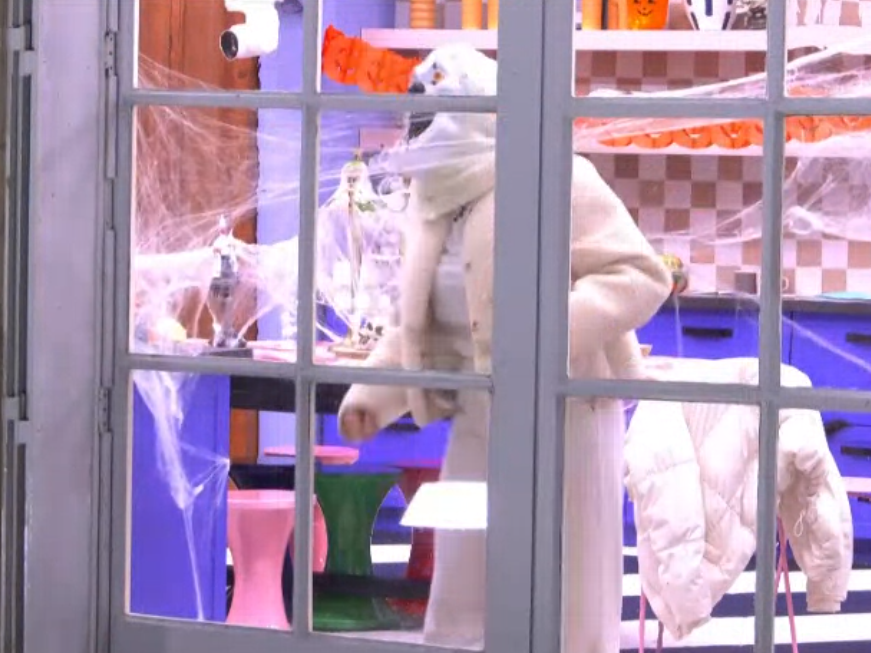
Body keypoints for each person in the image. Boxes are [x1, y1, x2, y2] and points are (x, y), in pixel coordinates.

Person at [337, 44, 672, 653]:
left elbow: (642, 275)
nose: (419, 115)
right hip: (480, 420)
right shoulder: (434, 202)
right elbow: (421, 320)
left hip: (565, 419)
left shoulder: (554, 176)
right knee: (463, 601)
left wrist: (543, 333)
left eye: (436, 98)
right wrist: (374, 396)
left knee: (561, 597)